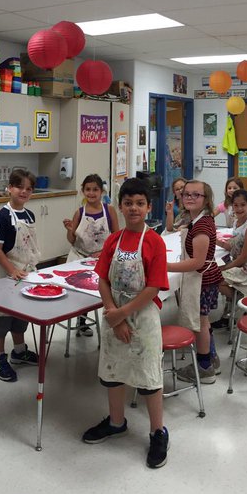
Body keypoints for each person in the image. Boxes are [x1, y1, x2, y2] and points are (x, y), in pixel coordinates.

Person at [80, 178, 171, 469]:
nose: (134, 208)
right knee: (113, 372)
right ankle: (117, 422)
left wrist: (123, 313)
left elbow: (154, 287)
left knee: (148, 378)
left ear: (148, 206)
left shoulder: (154, 241)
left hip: (142, 318)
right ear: (121, 206)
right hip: (113, 314)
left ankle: (158, 431)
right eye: (128, 203)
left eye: (140, 203)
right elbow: (103, 278)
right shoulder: (113, 240)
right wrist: (112, 311)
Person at [0, 169, 41, 381]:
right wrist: (11, 270)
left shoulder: (29, 215)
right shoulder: (1, 216)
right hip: (5, 272)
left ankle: (19, 351)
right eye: (19, 187)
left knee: (19, 314)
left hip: (24, 272)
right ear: (9, 188)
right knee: (0, 317)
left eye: (28, 188)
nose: (23, 191)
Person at [166, 180, 223, 383]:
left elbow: (197, 262)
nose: (189, 197)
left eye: (195, 195)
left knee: (200, 323)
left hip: (203, 279)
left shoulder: (202, 226)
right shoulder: (195, 220)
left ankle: (204, 367)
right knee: (203, 321)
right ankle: (211, 359)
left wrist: (166, 266)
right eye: (186, 194)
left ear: (205, 200)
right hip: (203, 278)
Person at [63, 173, 120, 336]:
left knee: (100, 291)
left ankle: (107, 319)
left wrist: (103, 253)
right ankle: (81, 320)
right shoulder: (79, 213)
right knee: (80, 293)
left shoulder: (109, 211)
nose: (91, 193)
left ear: (101, 191)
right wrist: (69, 231)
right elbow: (72, 240)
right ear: (83, 191)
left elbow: (116, 236)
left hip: (102, 258)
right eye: (88, 189)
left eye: (95, 189)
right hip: (80, 256)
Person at [214, 189, 247, 335]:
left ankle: (236, 300)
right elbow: (232, 245)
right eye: (236, 205)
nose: (239, 209)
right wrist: (214, 240)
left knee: (214, 277)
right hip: (237, 263)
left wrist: (225, 268)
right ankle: (233, 302)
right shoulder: (236, 222)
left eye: (243, 205)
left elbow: (244, 257)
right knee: (211, 273)